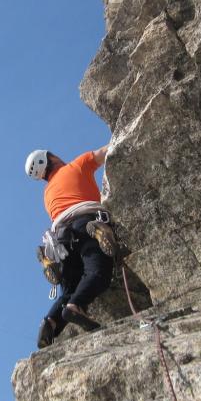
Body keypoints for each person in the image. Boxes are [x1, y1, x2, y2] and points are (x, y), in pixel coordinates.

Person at [25, 145, 118, 348]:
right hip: (86, 222)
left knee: (71, 287)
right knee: (98, 273)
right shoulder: (77, 165)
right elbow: (110, 150)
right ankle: (76, 306)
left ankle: (51, 321)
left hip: (60, 239)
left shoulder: (47, 194)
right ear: (51, 158)